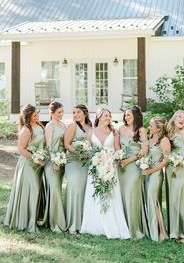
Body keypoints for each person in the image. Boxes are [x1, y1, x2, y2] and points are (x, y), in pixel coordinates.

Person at [80, 108, 130, 239]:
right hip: (95, 167)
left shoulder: (114, 133)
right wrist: (93, 157)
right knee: (94, 194)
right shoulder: (91, 132)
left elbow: (118, 149)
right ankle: (94, 224)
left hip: (110, 166)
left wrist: (112, 158)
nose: (108, 118)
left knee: (110, 193)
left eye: (109, 116)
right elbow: (87, 150)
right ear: (99, 116)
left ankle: (111, 223)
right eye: (106, 116)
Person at [5, 104, 45, 232]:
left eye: (37, 114)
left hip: (38, 165)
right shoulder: (26, 129)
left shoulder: (39, 126)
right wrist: (36, 159)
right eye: (35, 115)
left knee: (36, 190)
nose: (37, 116)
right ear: (29, 117)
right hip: (28, 164)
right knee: (31, 190)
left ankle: (33, 218)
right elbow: (21, 149)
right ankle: (27, 221)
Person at [118, 105, 149, 239]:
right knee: (122, 194)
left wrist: (129, 160)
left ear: (135, 116)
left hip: (134, 166)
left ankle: (133, 227)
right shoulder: (120, 129)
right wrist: (120, 158)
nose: (126, 117)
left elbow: (144, 151)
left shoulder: (141, 130)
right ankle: (122, 226)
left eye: (129, 115)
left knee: (131, 194)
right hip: (121, 166)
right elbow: (117, 146)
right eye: (125, 115)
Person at [165, 110, 184, 243]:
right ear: (174, 118)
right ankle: (175, 231)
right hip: (171, 168)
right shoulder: (170, 133)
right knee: (173, 199)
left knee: (182, 199)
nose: (182, 119)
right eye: (179, 116)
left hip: (182, 169)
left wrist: (180, 164)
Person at [64, 104, 92, 237]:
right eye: (74, 112)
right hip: (73, 162)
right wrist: (78, 153)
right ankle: (72, 225)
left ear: (85, 113)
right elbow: (67, 144)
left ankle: (83, 223)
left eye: (78, 112)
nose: (75, 114)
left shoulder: (90, 128)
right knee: (74, 190)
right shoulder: (72, 126)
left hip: (85, 163)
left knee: (84, 191)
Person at [142, 116, 170, 242]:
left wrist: (151, 171)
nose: (149, 127)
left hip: (156, 174)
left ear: (158, 128)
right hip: (147, 173)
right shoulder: (150, 138)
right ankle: (151, 229)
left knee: (152, 199)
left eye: (151, 126)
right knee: (149, 200)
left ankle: (158, 233)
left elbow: (166, 161)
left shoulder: (164, 140)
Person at [42, 101, 66, 232]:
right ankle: (56, 222)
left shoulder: (63, 125)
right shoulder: (49, 126)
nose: (61, 114)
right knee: (55, 191)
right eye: (59, 112)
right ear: (52, 113)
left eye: (62, 112)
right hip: (52, 162)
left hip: (62, 162)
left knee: (58, 190)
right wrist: (54, 161)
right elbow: (49, 146)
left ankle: (55, 218)